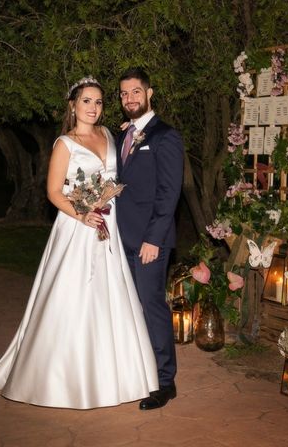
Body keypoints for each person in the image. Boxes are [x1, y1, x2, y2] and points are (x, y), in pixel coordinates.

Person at [0, 76, 159, 409]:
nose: (93, 108)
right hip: (77, 227)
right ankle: (64, 376)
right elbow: (54, 192)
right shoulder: (64, 144)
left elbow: (116, 179)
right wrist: (83, 213)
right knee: (74, 297)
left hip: (108, 225)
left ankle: (119, 375)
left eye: (99, 102)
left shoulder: (109, 136)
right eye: (87, 101)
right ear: (73, 105)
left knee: (111, 297)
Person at [115, 68, 184, 410]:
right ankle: (136, 371)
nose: (130, 99)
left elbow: (169, 192)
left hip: (149, 242)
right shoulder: (122, 137)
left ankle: (164, 382)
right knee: (128, 309)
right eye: (124, 94)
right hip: (119, 239)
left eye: (135, 92)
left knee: (152, 306)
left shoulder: (164, 136)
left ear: (149, 93)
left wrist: (154, 238)